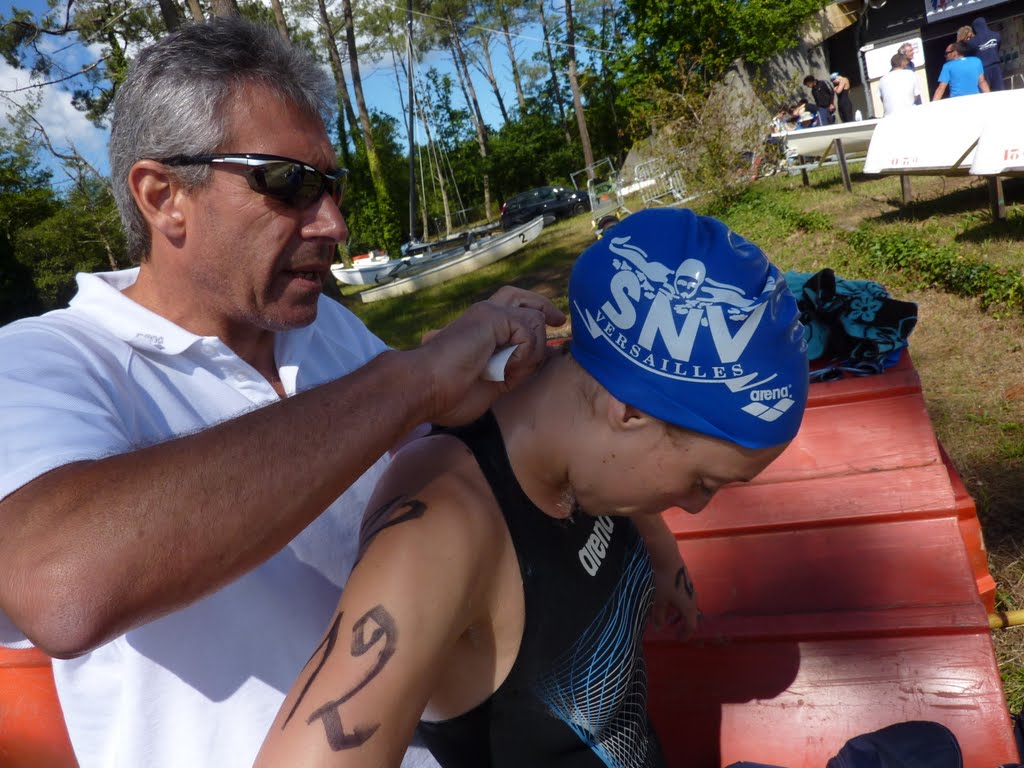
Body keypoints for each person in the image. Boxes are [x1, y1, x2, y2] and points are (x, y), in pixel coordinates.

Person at [0, 18, 566, 768]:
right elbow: (61, 586)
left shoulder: (323, 327)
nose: (333, 223)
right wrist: (413, 380)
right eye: (289, 183)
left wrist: (491, 375)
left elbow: (421, 453)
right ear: (163, 196)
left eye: (331, 186)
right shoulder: (43, 362)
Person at [254, 207, 810, 768]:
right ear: (630, 413)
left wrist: (664, 560)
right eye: (702, 482)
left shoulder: (583, 434)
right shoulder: (444, 525)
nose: (694, 506)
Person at [965, 17, 1004, 91]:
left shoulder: (972, 42)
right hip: (996, 67)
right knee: (999, 91)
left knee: (985, 93)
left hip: (982, 70)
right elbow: (997, 48)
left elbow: (970, 55)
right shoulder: (996, 35)